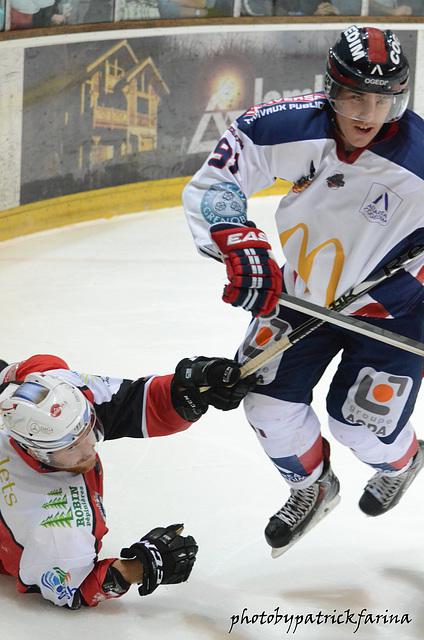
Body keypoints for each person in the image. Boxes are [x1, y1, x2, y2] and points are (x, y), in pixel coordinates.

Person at [183, 26, 424, 557]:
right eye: (355, 95)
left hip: (396, 312)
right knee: (266, 405)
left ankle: (403, 461)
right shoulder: (285, 125)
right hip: (305, 292)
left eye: (383, 99)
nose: (368, 113)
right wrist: (236, 241)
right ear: (331, 88)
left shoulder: (421, 157)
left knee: (360, 428)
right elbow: (215, 182)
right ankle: (312, 486)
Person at [0, 353, 254, 607]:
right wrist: (138, 567)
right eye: (71, 447)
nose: (89, 448)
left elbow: (128, 403)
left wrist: (185, 392)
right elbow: (75, 589)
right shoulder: (54, 530)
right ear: (36, 451)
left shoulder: (54, 384)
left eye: (89, 428)